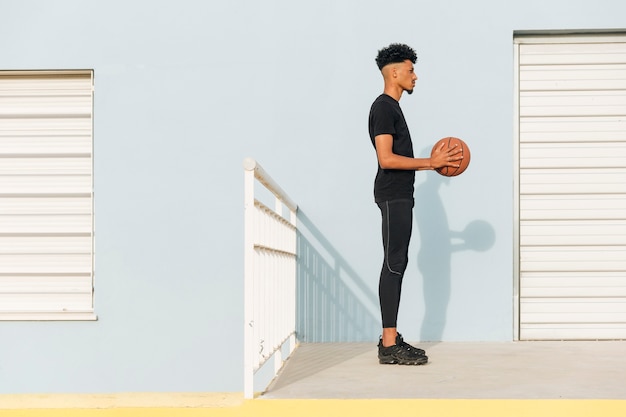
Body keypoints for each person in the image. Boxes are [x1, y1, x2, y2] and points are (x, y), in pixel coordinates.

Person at [368, 43, 462, 365]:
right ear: (394, 72)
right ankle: (389, 344)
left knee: (398, 262)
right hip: (393, 195)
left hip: (400, 196)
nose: (415, 76)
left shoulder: (393, 108)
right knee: (394, 263)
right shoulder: (383, 107)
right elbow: (386, 158)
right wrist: (431, 162)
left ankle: (390, 339)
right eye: (410, 70)